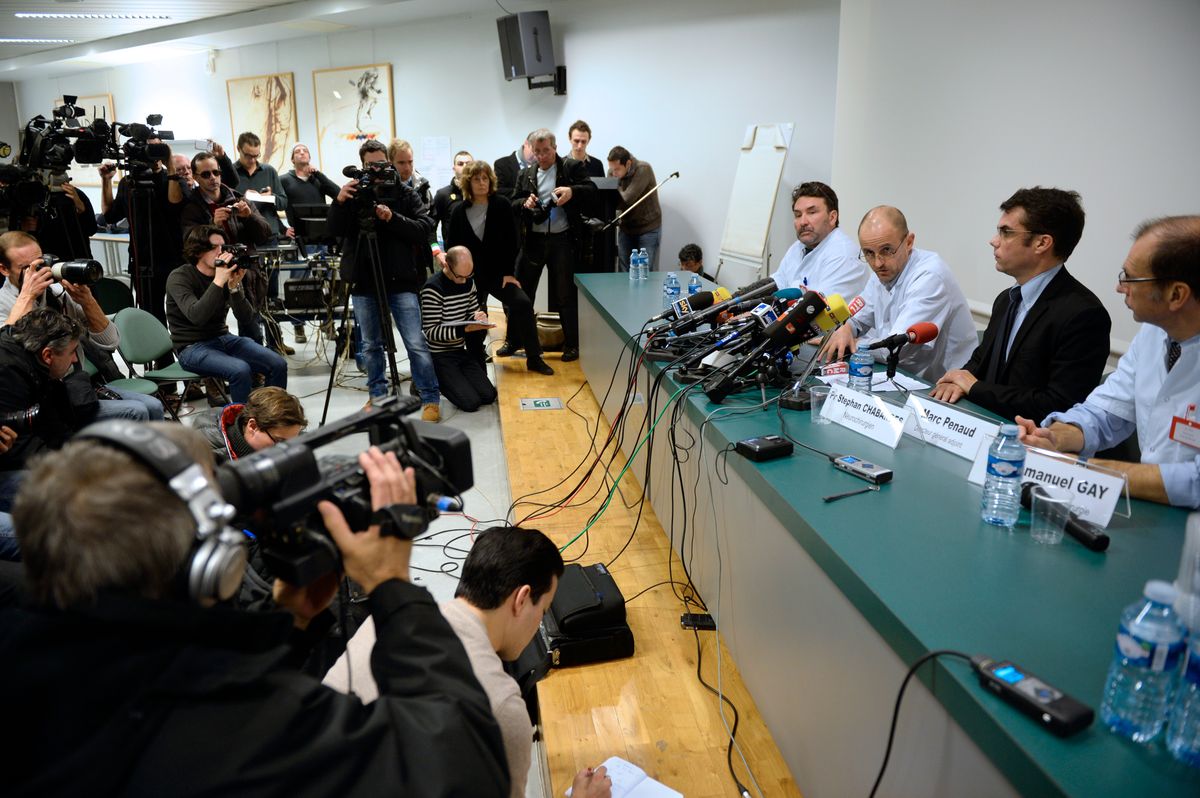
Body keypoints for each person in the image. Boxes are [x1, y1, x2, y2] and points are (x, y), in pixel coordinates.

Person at [0, 423, 511, 796]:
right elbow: (462, 767)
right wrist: (391, 585)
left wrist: (287, 624)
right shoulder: (245, 733)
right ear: (210, 563)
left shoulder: (24, 652)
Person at [1017, 216, 1200, 509]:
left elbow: (1195, 480)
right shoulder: (1154, 332)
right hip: (1152, 508)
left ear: (1176, 294)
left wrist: (1081, 469)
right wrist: (1054, 438)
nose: (1120, 287)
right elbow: (1106, 412)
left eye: (1130, 278)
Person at [444, 525, 612, 798]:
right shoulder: (500, 709)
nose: (539, 624)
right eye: (543, 611)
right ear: (521, 599)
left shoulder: (383, 626)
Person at [932, 187, 1111, 420]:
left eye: (1006, 232)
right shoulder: (1006, 299)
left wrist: (973, 387)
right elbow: (980, 361)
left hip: (1033, 437)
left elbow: (1059, 404)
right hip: (983, 426)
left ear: (1042, 243)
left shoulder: (1084, 314)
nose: (994, 241)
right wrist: (956, 381)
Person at [328, 139, 441, 421]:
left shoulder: (404, 192)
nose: (377, 170)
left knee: (415, 342)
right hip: (364, 279)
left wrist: (393, 218)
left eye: (381, 164)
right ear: (362, 165)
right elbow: (333, 231)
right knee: (371, 345)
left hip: (401, 279)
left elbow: (424, 228)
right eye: (371, 165)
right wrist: (339, 202)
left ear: (388, 162)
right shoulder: (353, 194)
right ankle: (377, 396)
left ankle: (430, 398)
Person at [0, 231, 163, 422]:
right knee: (137, 411)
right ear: (4, 269)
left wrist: (87, 301)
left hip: (78, 385)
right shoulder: (4, 303)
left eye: (40, 263)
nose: (36, 273)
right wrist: (28, 296)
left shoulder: (56, 292)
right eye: (26, 268)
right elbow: (6, 352)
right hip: (41, 398)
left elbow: (110, 342)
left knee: (154, 405)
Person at [821, 206, 976, 381]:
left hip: (945, 385)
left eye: (887, 250)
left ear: (909, 242)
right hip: (903, 376)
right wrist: (845, 329)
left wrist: (854, 343)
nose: (877, 263)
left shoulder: (930, 276)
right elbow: (856, 319)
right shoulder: (883, 274)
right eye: (869, 253)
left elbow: (895, 349)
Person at [446, 160, 553, 375]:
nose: (481, 183)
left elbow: (513, 241)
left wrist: (508, 273)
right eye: (476, 179)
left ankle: (534, 358)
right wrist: (458, 275)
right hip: (471, 277)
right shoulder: (458, 211)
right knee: (475, 316)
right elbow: (452, 246)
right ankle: (477, 361)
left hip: (498, 274)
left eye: (485, 178)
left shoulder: (502, 204)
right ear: (468, 183)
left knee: (522, 303)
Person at [166, 225, 288, 403]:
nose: (221, 252)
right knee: (240, 370)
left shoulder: (224, 273)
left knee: (277, 364)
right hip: (191, 347)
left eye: (223, 247)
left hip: (223, 338)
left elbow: (246, 318)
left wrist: (234, 288)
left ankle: (271, 414)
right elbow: (197, 316)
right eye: (214, 247)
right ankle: (240, 419)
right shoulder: (180, 277)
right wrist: (218, 281)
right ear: (198, 251)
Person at [513, 128, 596, 363]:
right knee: (523, 293)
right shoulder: (526, 173)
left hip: (562, 239)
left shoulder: (571, 167)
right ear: (531, 150)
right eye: (537, 152)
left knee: (565, 295)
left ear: (555, 148)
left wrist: (572, 191)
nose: (542, 156)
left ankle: (572, 345)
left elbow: (592, 190)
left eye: (546, 151)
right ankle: (515, 340)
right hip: (533, 240)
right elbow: (513, 201)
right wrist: (525, 202)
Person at [179, 149, 276, 348]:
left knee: (252, 329)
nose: (212, 178)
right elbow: (190, 246)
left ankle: (256, 365)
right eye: (206, 174)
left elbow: (265, 234)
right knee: (212, 329)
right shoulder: (190, 207)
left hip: (243, 272)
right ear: (196, 177)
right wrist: (211, 225)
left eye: (216, 172)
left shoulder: (239, 199)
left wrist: (249, 217)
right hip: (211, 276)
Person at [420, 247, 500, 412]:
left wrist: (478, 317)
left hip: (459, 350)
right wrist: (465, 330)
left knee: (488, 395)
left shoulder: (468, 281)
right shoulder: (432, 288)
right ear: (447, 266)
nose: (464, 281)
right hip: (439, 355)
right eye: (460, 276)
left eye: (468, 275)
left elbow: (471, 311)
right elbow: (431, 331)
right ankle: (430, 379)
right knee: (471, 403)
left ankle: (455, 379)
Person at [771, 181, 869, 300]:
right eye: (798, 215)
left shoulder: (844, 255)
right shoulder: (798, 247)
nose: (803, 222)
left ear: (832, 217)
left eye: (811, 212)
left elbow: (816, 307)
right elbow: (778, 281)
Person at [195, 385, 306, 463]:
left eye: (292, 442)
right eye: (279, 441)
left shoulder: (285, 435)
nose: (286, 449)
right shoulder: (209, 456)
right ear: (252, 426)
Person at [389, 138, 442, 274]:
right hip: (394, 258)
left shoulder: (423, 188)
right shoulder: (385, 190)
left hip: (419, 259)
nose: (407, 167)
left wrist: (436, 251)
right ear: (390, 163)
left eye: (410, 162)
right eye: (401, 163)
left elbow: (431, 226)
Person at [607, 146, 663, 273]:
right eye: (611, 169)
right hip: (626, 227)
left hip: (648, 228)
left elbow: (627, 199)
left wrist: (615, 188)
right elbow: (611, 199)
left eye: (617, 169)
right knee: (624, 269)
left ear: (628, 164)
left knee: (646, 270)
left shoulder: (643, 169)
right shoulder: (612, 171)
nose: (613, 173)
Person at [234, 131, 290, 240]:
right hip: (242, 236)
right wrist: (243, 200)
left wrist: (270, 197)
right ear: (238, 149)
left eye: (256, 156)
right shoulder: (230, 173)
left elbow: (283, 203)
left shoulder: (269, 171)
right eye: (248, 155)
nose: (252, 160)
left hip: (270, 235)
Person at [433, 150, 474, 249]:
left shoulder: (481, 193)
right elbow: (431, 227)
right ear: (454, 168)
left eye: (468, 163)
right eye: (460, 164)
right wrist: (436, 251)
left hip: (479, 253)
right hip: (453, 253)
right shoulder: (443, 194)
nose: (464, 166)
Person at [494, 132, 536, 202]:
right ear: (526, 143)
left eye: (539, 152)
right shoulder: (501, 164)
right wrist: (524, 193)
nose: (536, 156)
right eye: (534, 150)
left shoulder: (540, 166)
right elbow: (498, 191)